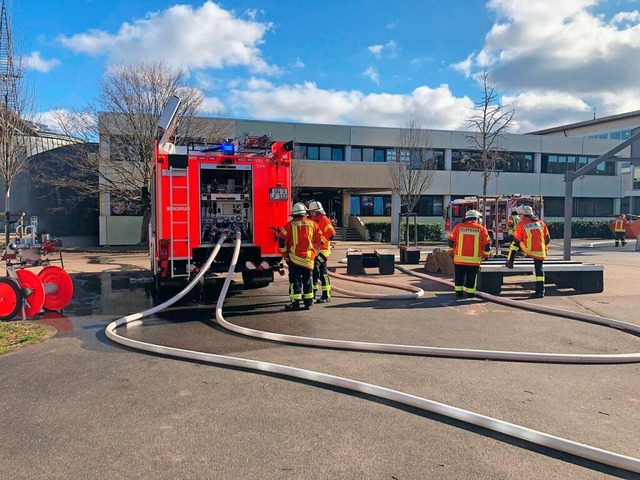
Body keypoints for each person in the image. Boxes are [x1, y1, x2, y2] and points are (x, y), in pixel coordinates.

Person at [279, 202, 322, 311]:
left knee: (295, 281)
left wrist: (285, 255)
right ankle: (308, 303)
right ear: (304, 213)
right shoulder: (313, 224)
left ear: (293, 214)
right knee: (308, 280)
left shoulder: (289, 225)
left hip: (294, 259)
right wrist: (314, 252)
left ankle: (295, 304)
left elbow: (281, 241)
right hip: (308, 259)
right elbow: (320, 239)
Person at [505, 205, 550, 298]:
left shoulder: (521, 224)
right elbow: (548, 239)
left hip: (528, 249)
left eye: (520, 214)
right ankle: (540, 292)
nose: (519, 216)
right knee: (539, 270)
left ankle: (510, 262)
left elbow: (517, 239)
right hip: (540, 251)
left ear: (523, 215)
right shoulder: (541, 223)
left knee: (513, 244)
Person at [447, 209, 491, 298]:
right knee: (472, 277)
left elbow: (450, 241)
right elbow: (487, 244)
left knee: (459, 276)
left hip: (459, 259)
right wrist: (486, 255)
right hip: (474, 260)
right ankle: (470, 293)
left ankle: (459, 292)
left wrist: (451, 251)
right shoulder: (481, 229)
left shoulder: (458, 227)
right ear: (476, 218)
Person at [306, 200, 336, 303]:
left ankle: (326, 294)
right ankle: (314, 294)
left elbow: (331, 233)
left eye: (312, 211)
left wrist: (320, 243)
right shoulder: (312, 220)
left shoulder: (324, 220)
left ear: (318, 211)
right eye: (310, 212)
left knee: (319, 270)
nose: (311, 213)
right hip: (315, 251)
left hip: (323, 251)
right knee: (316, 270)